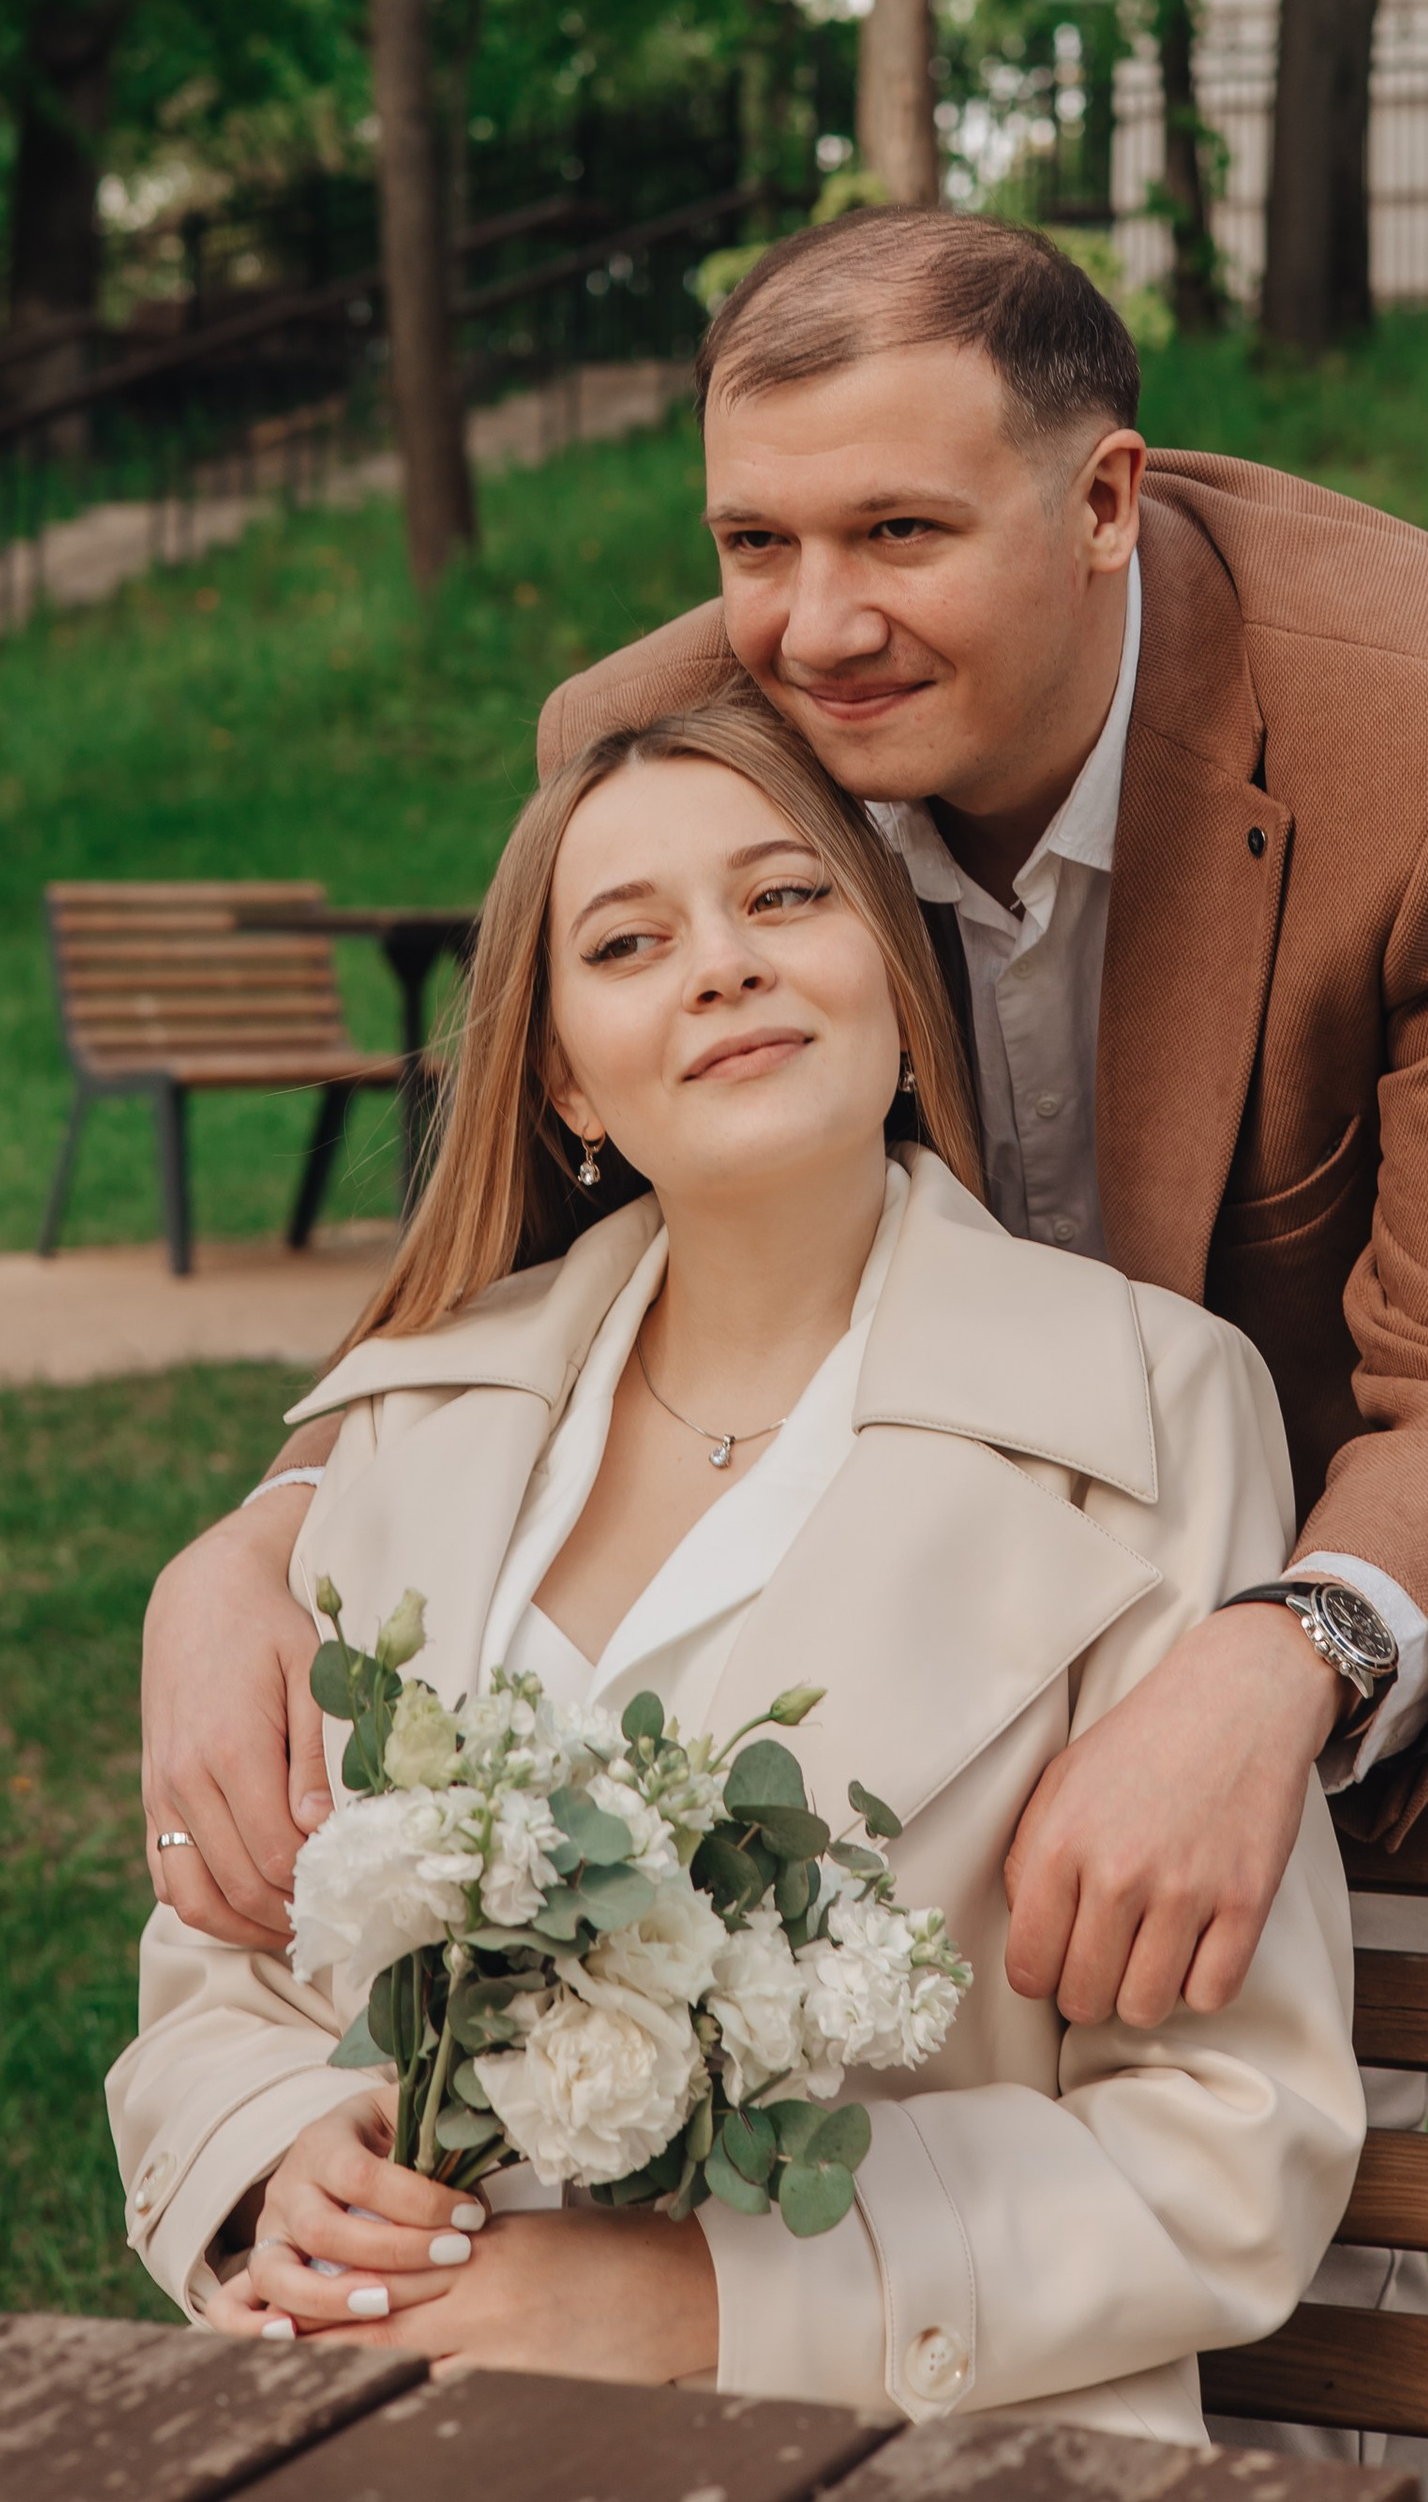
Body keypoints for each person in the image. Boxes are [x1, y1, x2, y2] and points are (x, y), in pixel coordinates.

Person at [137, 208, 1428, 2469]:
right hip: (864, 1442)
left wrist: (1272, 1649)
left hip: (1344, 1453)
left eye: (900, 531)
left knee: (1254, 2120)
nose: (815, 622)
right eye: (755, 537)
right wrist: (261, 1529)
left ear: (1101, 503)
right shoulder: (679, 739)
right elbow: (507, 1245)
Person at [109, 704, 1364, 2436]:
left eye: (785, 901)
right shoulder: (416, 1423)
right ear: (562, 1076)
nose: (721, 967)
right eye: (628, 941)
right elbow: (222, 1980)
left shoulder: (1144, 1414)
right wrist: (274, 2157)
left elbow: (1231, 2142)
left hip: (908, 2437)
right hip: (409, 2416)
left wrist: (701, 2302)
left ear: (896, 986)